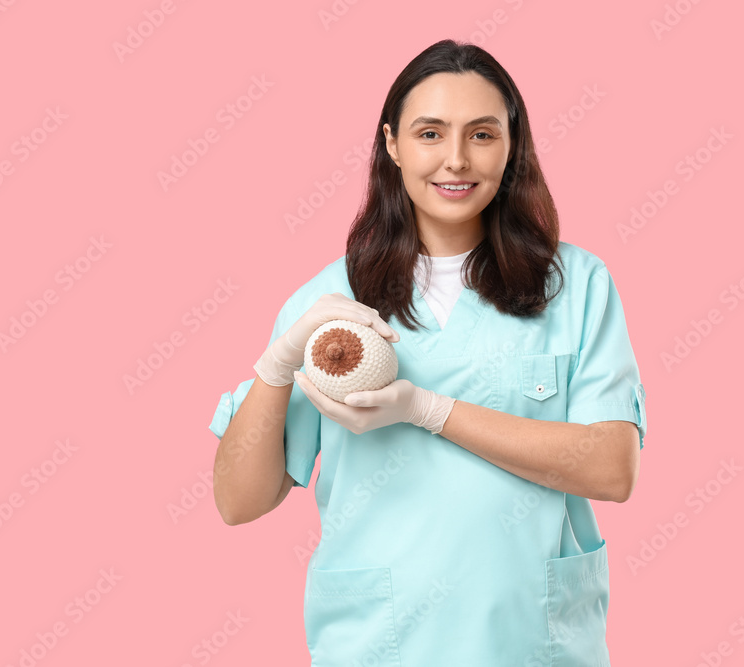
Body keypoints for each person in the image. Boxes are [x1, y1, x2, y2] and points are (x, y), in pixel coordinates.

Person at [208, 38, 647, 666]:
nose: (456, 159)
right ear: (392, 144)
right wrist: (276, 366)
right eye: (430, 133)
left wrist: (426, 409)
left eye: (483, 134)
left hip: (531, 645)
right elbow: (238, 502)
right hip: (380, 646)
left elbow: (612, 468)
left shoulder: (577, 287)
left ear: (512, 144)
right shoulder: (331, 300)